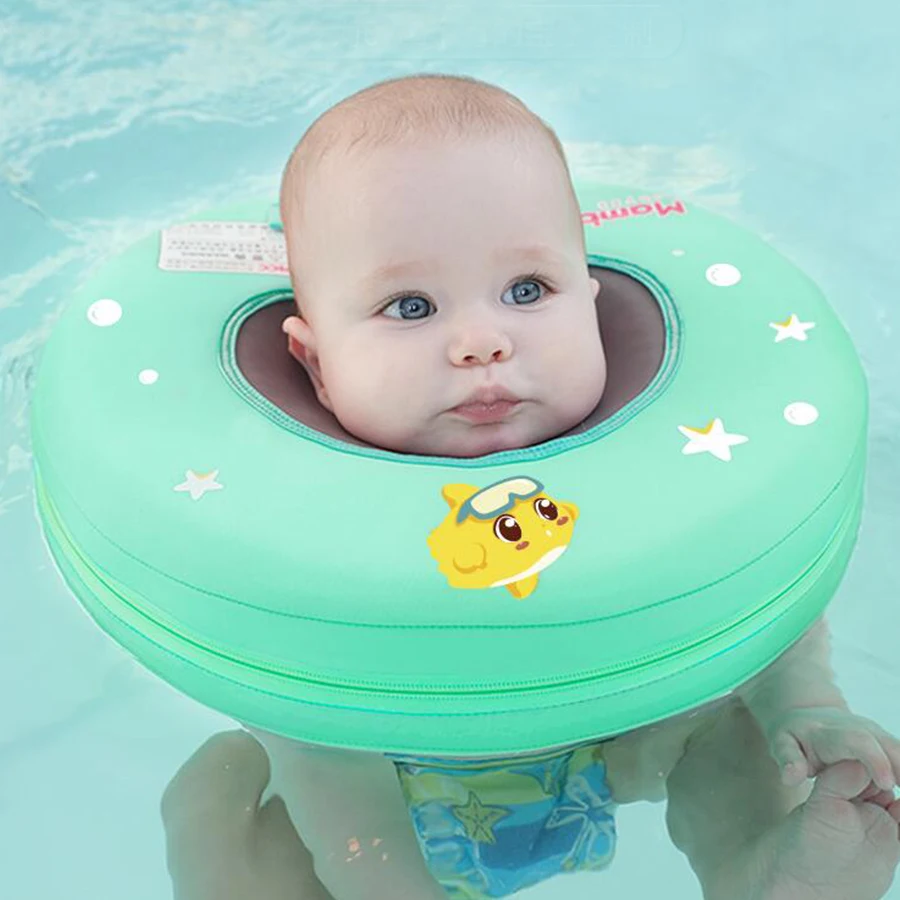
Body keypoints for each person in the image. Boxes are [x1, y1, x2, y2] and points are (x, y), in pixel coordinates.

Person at [161, 73, 900, 900]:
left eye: (527, 290)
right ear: (317, 367)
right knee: (218, 794)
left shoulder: (666, 489)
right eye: (411, 306)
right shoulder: (295, 538)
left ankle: (761, 873)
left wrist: (805, 708)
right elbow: (317, 749)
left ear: (592, 305)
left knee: (717, 729)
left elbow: (753, 607)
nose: (482, 342)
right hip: (375, 769)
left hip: (617, 739)